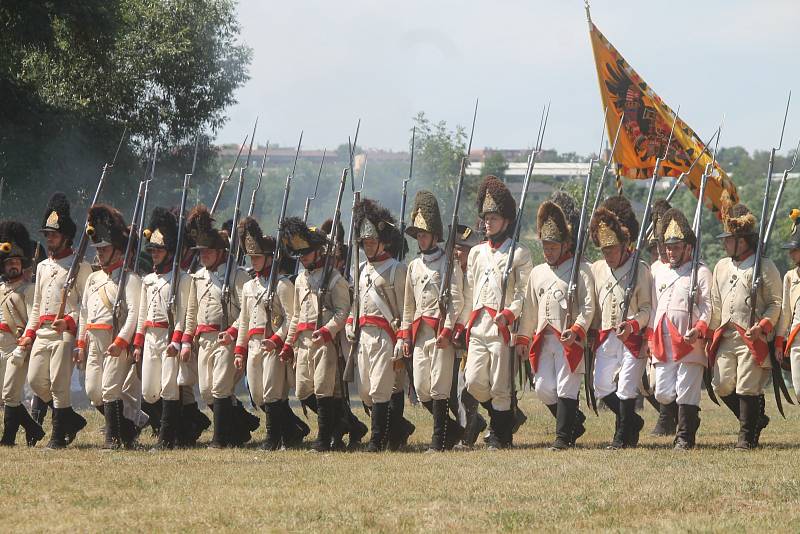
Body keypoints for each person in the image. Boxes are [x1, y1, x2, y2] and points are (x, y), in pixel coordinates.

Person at [458, 176, 532, 450]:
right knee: (474, 382)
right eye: (486, 218)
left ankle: (502, 436)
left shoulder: (520, 254)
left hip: (503, 330)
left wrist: (511, 313)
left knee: (501, 386)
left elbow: (525, 294)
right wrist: (463, 323)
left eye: (494, 218)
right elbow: (469, 291)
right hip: (478, 327)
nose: (488, 222)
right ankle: (506, 418)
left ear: (507, 221)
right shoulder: (476, 253)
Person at [520, 191, 594, 450]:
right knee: (543, 388)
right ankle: (575, 423)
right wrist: (523, 337)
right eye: (545, 247)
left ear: (565, 244)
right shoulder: (538, 273)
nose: (548, 251)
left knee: (566, 387)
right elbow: (529, 308)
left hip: (569, 339)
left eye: (552, 247)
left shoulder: (580, 269)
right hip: (543, 339)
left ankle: (563, 438)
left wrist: (577, 329)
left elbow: (588, 306)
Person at [19, 193, 90, 449]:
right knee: (36, 380)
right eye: (47, 234)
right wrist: (29, 333)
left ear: (66, 237)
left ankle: (59, 434)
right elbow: (37, 306)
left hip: (65, 333)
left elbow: (86, 306)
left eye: (54, 234)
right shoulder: (42, 267)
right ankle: (70, 418)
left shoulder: (79, 265)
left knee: (60, 384)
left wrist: (70, 321)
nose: (49, 238)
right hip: (43, 331)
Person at [709, 198, 781, 449]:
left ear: (742, 241)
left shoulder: (765, 265)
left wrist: (762, 326)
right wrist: (707, 331)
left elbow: (775, 303)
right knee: (722, 384)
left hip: (753, 336)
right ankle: (755, 419)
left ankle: (746, 437)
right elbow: (716, 305)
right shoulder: (720, 267)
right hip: (727, 336)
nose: (724, 243)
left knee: (747, 387)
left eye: (728, 239)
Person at [398, 190, 464, 451]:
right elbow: (407, 305)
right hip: (419, 332)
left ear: (435, 236)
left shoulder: (449, 264)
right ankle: (456, 431)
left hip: (439, 332)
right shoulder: (414, 266)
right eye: (419, 235)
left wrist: (447, 330)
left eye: (424, 234)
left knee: (439, 387)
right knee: (422, 388)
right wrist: (404, 335)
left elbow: (456, 300)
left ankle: (438, 441)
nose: (421, 238)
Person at [75, 204, 146, 449]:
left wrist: (121, 342)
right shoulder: (93, 278)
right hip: (94, 341)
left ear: (117, 249)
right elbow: (84, 312)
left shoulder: (130, 279)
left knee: (109, 389)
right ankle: (127, 428)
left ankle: (113, 439)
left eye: (104, 248)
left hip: (116, 341)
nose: (100, 253)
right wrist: (81, 343)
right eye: (98, 248)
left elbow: (135, 314)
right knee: (94, 391)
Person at [181, 206, 251, 448]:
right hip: (204, 339)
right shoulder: (198, 277)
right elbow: (192, 313)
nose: (203, 255)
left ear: (221, 252)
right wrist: (188, 339)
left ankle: (221, 438)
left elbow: (247, 312)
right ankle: (240, 427)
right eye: (201, 251)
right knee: (207, 390)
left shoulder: (237, 275)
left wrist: (233, 333)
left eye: (208, 251)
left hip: (227, 338)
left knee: (221, 386)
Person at [279, 217, 350, 452]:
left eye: (307, 253)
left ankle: (324, 438)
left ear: (318, 251)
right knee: (302, 390)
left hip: (324, 341)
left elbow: (342, 311)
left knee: (323, 389)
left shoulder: (334, 278)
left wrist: (328, 331)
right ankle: (343, 423)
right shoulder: (300, 279)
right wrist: (288, 344)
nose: (303, 257)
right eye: (300, 254)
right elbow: (297, 316)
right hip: (303, 341)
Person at [588, 195, 652, 449]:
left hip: (633, 338)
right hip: (607, 335)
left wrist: (634, 324)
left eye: (612, 249)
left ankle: (622, 437)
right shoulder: (597, 268)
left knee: (626, 387)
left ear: (624, 246)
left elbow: (647, 308)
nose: (609, 255)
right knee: (601, 386)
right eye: (604, 250)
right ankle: (632, 422)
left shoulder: (640, 268)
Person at [648, 207, 711, 450]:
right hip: (663, 340)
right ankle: (690, 419)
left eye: (675, 246)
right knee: (662, 392)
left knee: (687, 391)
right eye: (668, 246)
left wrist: (699, 328)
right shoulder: (658, 270)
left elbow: (708, 305)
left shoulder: (700, 271)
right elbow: (653, 306)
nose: (670, 251)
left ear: (687, 247)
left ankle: (685, 437)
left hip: (689, 340)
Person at [0, 220, 46, 446]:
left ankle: (8, 439)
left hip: (18, 346)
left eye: (17, 262)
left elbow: (33, 320)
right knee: (5, 395)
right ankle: (33, 429)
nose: (13, 266)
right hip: (1, 347)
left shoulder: (28, 291)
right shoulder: (1, 289)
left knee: (10, 394)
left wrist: (23, 346)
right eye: (9, 263)